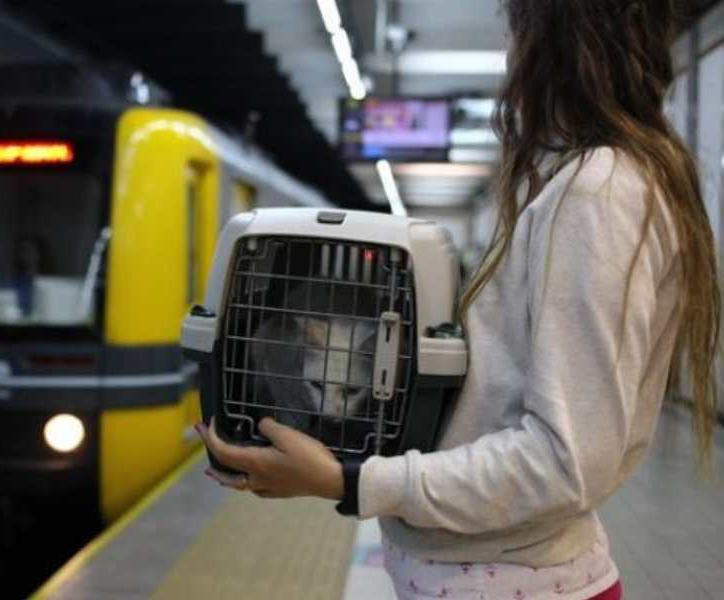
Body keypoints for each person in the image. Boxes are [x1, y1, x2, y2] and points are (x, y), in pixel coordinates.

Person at [197, 2, 719, 600]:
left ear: (554, 40)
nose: (511, 57)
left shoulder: (597, 191)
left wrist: (350, 481)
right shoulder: (593, 182)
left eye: (516, 31)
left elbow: (563, 461)